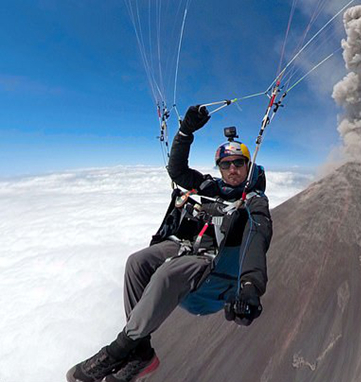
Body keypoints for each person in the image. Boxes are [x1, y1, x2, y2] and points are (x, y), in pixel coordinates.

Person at [67, 106, 273, 382]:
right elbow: (177, 171)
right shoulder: (212, 188)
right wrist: (185, 132)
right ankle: (142, 353)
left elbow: (258, 234)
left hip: (215, 268)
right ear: (219, 167)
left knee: (166, 273)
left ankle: (119, 348)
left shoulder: (253, 200)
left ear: (248, 166)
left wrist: (250, 286)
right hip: (190, 246)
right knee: (137, 262)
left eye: (239, 163)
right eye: (226, 164)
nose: (233, 169)